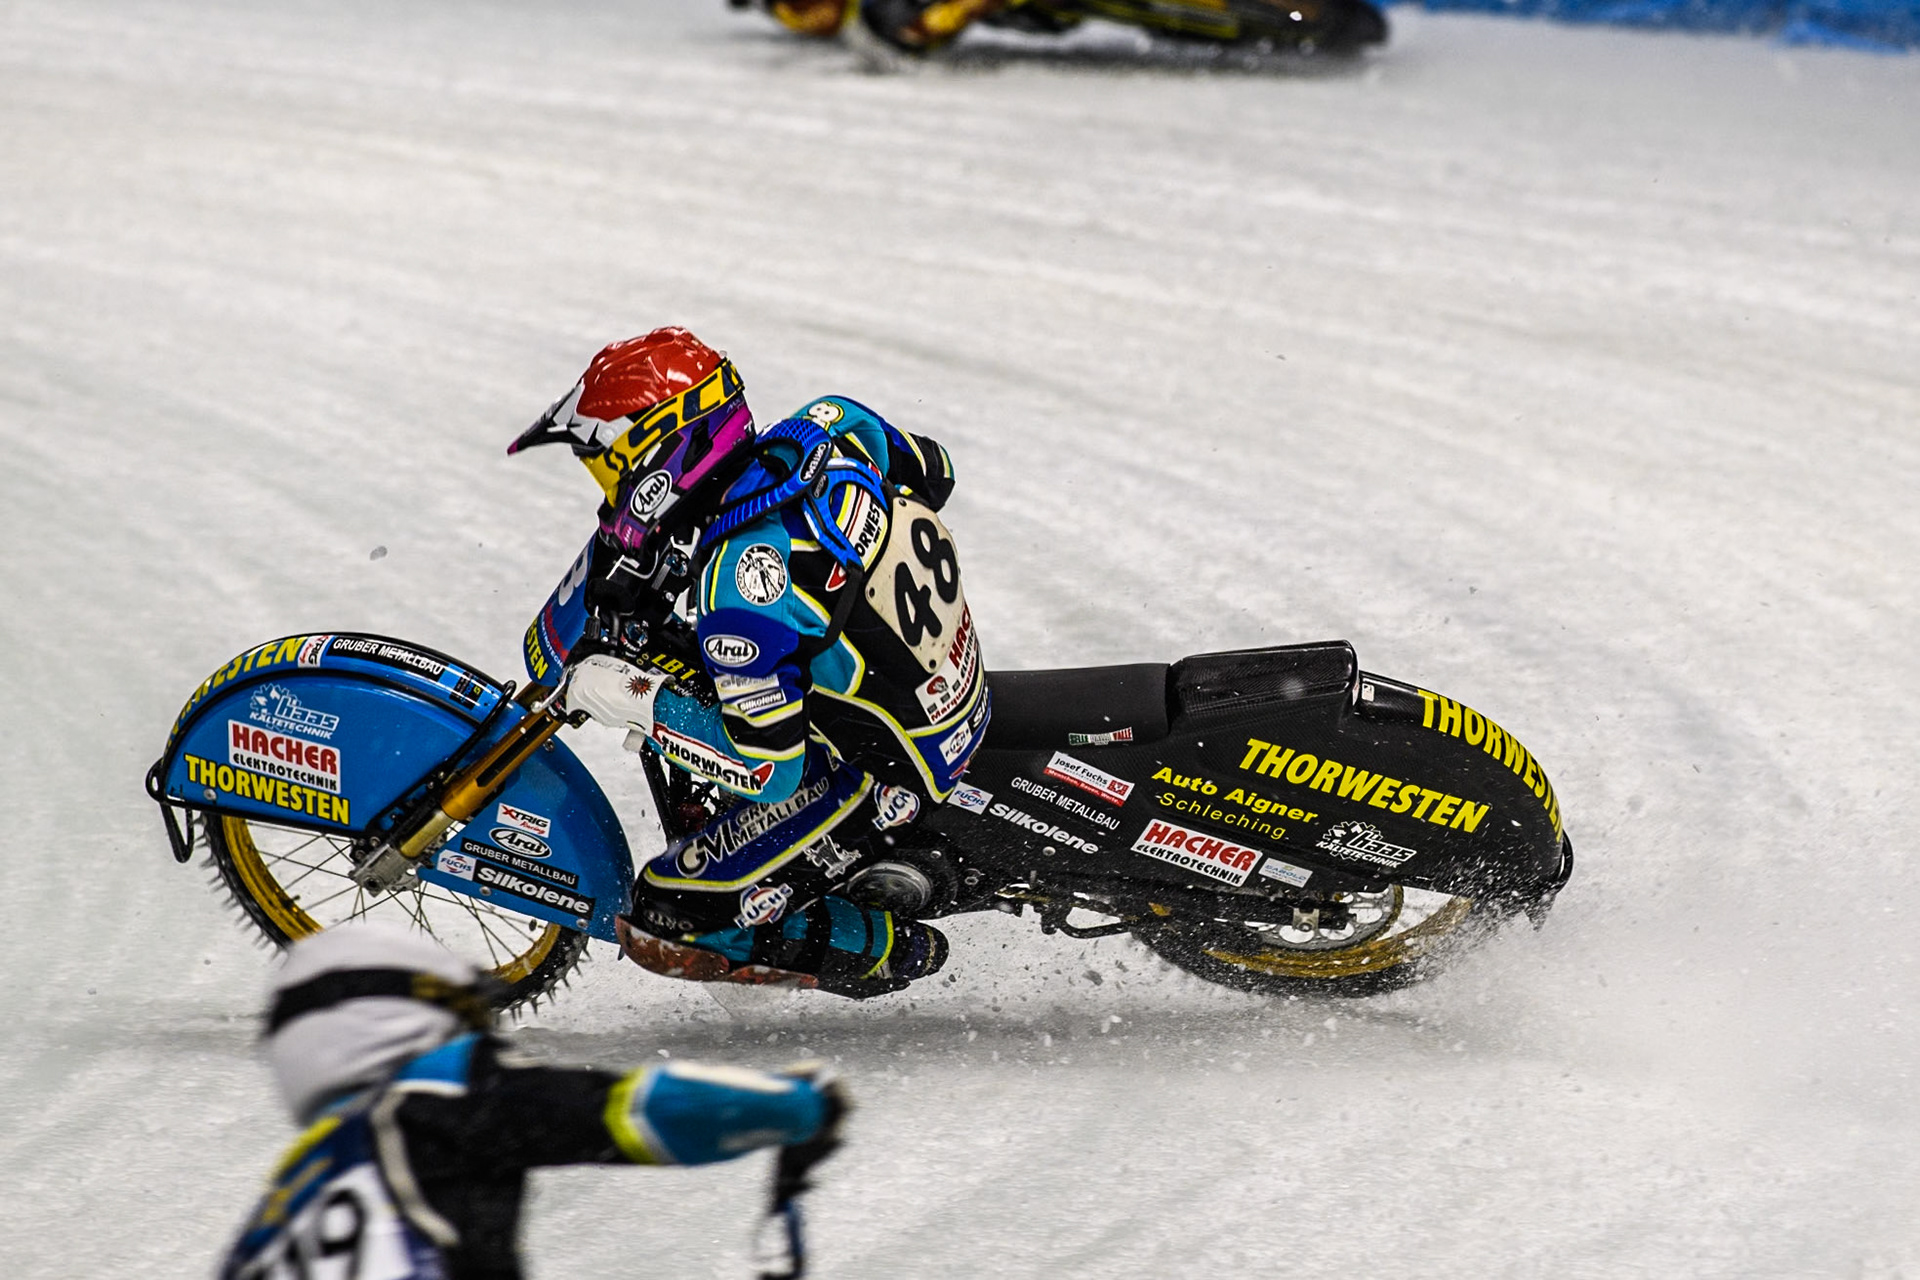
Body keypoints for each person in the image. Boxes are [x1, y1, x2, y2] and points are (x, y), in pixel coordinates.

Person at [509, 328, 989, 998]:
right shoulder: (829, 426)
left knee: (664, 914)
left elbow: (768, 767)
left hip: (878, 769)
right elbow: (935, 472)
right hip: (936, 681)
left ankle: (892, 946)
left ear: (660, 453)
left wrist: (633, 694)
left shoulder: (739, 585)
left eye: (610, 466)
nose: (608, 493)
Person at [219, 922, 848, 1280]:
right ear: (405, 1014)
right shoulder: (435, 1094)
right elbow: (640, 1112)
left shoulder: (282, 1204)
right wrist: (798, 1106)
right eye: (464, 1012)